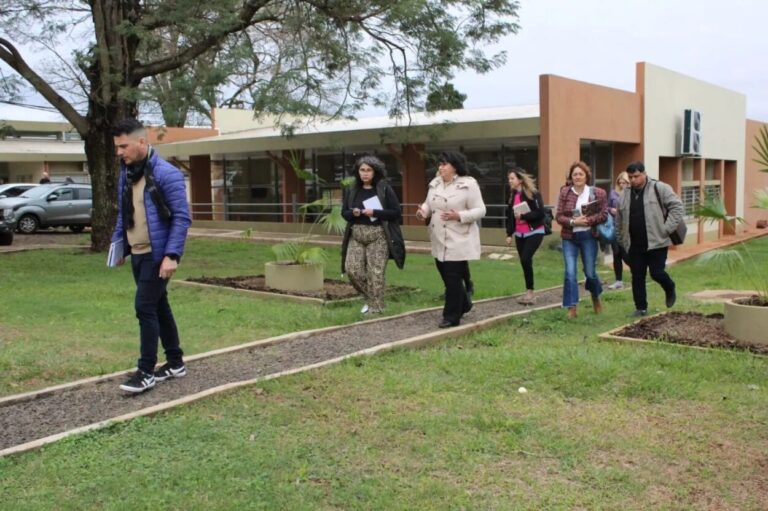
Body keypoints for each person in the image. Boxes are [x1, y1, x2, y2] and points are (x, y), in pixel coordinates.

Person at [111, 118, 192, 393]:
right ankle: (175, 361)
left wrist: (172, 255)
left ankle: (145, 371)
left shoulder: (167, 174)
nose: (119, 153)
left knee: (144, 307)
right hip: (138, 252)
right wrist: (119, 246)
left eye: (124, 146)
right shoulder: (128, 173)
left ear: (142, 142)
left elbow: (182, 218)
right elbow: (125, 212)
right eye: (117, 147)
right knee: (159, 305)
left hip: (158, 254)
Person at [416, 151, 486, 328]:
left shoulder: (468, 184)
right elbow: (428, 204)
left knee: (453, 277)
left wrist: (459, 215)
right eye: (439, 164)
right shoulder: (435, 184)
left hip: (459, 238)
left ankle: (451, 316)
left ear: (454, 166)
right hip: (439, 237)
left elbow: (480, 210)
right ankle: (465, 304)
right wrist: (422, 211)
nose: (440, 168)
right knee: (446, 275)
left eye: (444, 164)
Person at [616, 161, 684, 317]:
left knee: (656, 272)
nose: (633, 180)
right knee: (637, 275)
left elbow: (677, 207)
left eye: (636, 176)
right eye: (630, 177)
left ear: (644, 174)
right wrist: (620, 239)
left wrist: (666, 229)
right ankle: (641, 307)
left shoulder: (659, 188)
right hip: (634, 243)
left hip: (656, 242)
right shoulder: (625, 194)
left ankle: (669, 287)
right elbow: (619, 218)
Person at [340, 155, 404, 314]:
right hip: (357, 235)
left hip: (378, 236)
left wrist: (375, 212)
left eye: (369, 170)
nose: (365, 173)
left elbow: (396, 213)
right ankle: (371, 298)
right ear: (358, 172)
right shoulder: (352, 189)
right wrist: (353, 213)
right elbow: (344, 213)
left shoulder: (384, 189)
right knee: (352, 270)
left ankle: (376, 308)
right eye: (362, 170)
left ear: (375, 172)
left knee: (375, 273)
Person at [555, 161, 608, 318]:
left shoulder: (597, 193)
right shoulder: (565, 192)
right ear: (571, 177)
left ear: (586, 176)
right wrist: (573, 222)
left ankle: (595, 296)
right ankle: (572, 306)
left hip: (588, 236)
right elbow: (558, 216)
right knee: (570, 271)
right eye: (575, 174)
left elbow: (604, 214)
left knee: (590, 273)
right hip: (569, 237)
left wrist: (588, 221)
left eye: (580, 174)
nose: (577, 177)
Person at [505, 168, 546, 305]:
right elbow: (510, 216)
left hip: (535, 231)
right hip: (519, 233)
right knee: (524, 262)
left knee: (525, 258)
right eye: (509, 178)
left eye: (512, 178)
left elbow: (540, 213)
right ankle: (529, 290)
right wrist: (509, 233)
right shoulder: (512, 196)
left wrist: (524, 216)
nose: (510, 181)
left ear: (520, 180)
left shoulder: (533, 193)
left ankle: (530, 292)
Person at [607, 171, 630, 289]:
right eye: (620, 182)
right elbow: (606, 207)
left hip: (627, 229)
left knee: (626, 254)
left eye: (624, 182)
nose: (622, 185)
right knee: (616, 254)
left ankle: (638, 271)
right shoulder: (613, 193)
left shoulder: (631, 194)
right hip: (615, 227)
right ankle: (618, 280)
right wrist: (611, 210)